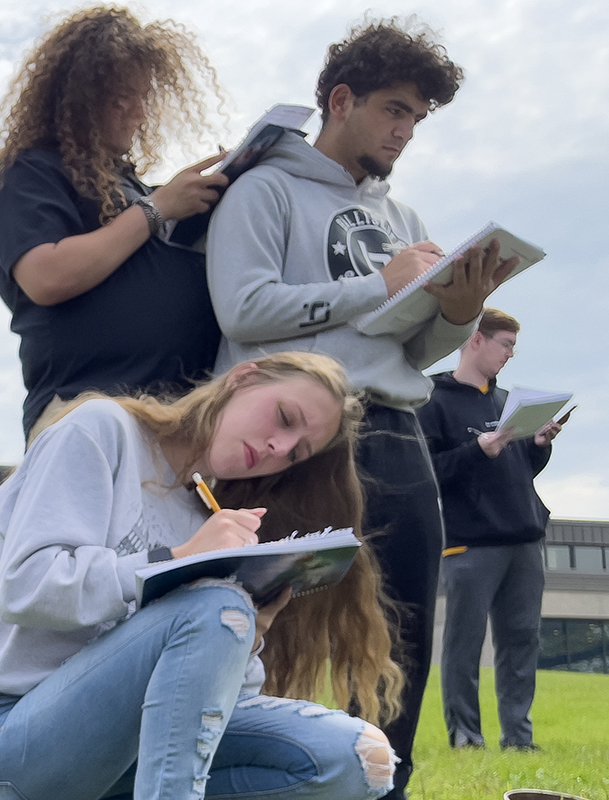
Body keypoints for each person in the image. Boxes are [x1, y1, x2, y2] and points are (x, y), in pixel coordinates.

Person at [204, 18, 509, 796]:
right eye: (393, 110)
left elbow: (413, 355)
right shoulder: (263, 190)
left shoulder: (403, 220)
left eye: (416, 119)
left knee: (399, 637)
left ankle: (384, 788)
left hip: (398, 433)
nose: (405, 132)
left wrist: (458, 312)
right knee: (275, 634)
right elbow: (242, 310)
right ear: (342, 100)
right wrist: (378, 284)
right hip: (292, 444)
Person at [0, 351, 404, 800]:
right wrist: (180, 560)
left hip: (131, 753)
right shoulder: (101, 430)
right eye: (284, 417)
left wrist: (250, 632)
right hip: (9, 735)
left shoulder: (207, 515)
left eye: (295, 454)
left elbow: (201, 709)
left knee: (359, 759)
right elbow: (25, 587)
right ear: (243, 378)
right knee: (216, 606)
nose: (278, 448)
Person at [0, 6, 231, 439]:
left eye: (141, 96)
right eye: (119, 96)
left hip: (177, 423)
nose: (136, 112)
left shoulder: (137, 189)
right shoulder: (29, 175)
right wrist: (156, 210)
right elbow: (47, 275)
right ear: (76, 96)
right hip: (85, 413)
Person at [416, 308, 562, 751]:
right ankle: (466, 738)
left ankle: (518, 738)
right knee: (464, 643)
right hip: (469, 544)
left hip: (524, 539)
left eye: (514, 346)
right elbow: (428, 474)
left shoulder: (506, 403)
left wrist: (538, 446)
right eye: (505, 344)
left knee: (522, 639)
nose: (511, 355)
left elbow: (520, 471)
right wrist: (479, 449)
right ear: (475, 340)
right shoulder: (432, 399)